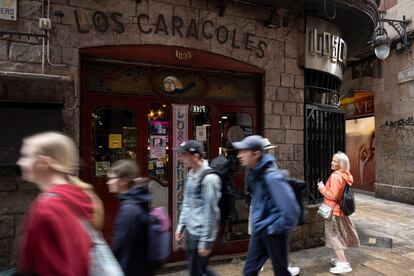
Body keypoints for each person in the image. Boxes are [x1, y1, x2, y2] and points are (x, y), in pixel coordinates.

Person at [16, 131, 104, 276]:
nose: (20, 162)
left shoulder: (47, 208)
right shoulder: (76, 196)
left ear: (44, 162)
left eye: (26, 156)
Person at [233, 135, 300, 276]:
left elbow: (291, 212)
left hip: (273, 232)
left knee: (281, 271)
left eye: (244, 151)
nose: (239, 155)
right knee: (249, 271)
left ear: (256, 154)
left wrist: (274, 228)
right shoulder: (253, 172)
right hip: (260, 229)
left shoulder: (272, 176)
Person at [175, 140, 222, 276]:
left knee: (197, 271)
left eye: (184, 155)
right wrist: (181, 225)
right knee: (200, 270)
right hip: (191, 231)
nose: (181, 158)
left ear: (195, 156)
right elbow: (187, 202)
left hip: (200, 234)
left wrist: (205, 242)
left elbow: (211, 212)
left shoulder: (210, 179)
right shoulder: (192, 174)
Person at [261, 138, 300, 276]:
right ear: (267, 151)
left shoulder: (261, 167)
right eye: (270, 149)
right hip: (274, 218)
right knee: (277, 251)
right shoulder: (270, 168)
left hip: (267, 219)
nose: (272, 151)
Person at [106, 159, 153, 276]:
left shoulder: (128, 210)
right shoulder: (138, 201)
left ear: (123, 181)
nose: (108, 182)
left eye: (111, 179)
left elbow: (120, 246)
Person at [317, 152, 360, 274]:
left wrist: (322, 189)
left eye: (335, 161)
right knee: (339, 235)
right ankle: (339, 259)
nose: (332, 162)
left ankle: (343, 263)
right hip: (339, 210)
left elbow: (333, 195)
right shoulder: (345, 175)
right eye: (332, 160)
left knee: (334, 237)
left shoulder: (336, 176)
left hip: (333, 211)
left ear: (341, 164)